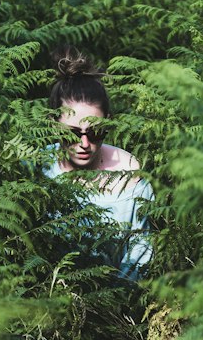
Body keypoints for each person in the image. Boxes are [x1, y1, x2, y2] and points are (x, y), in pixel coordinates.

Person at [44, 47, 153, 278]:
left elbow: (139, 256)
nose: (84, 143)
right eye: (72, 133)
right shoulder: (38, 166)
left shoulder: (131, 178)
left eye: (95, 132)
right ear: (54, 124)